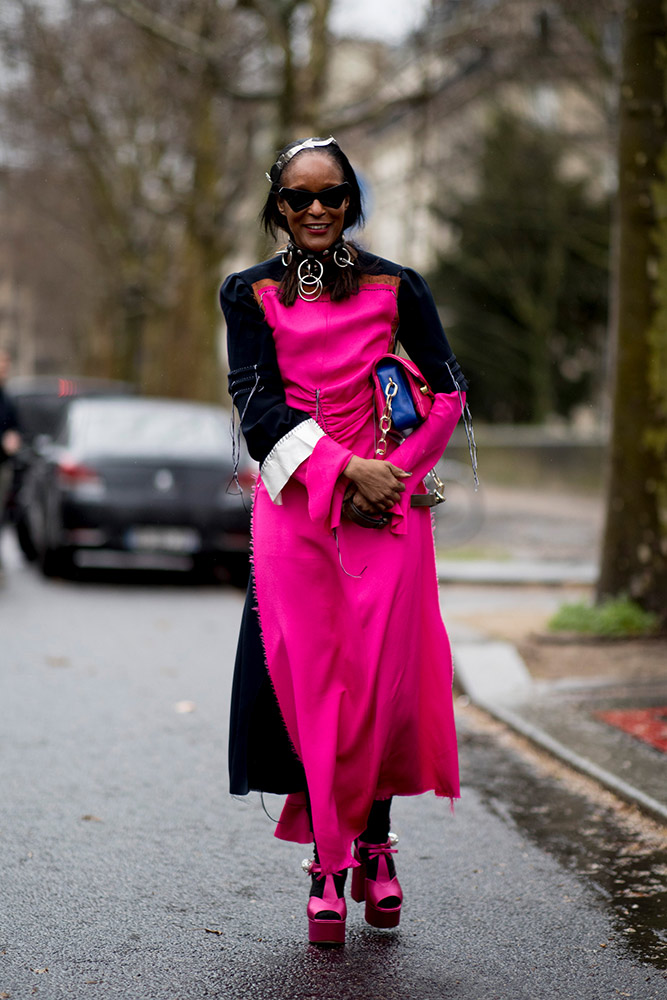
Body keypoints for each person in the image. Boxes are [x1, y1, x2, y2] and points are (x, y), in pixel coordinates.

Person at [220, 136, 475, 946]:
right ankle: (331, 862)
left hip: (389, 517)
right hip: (296, 512)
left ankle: (374, 844)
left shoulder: (399, 285)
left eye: (332, 194)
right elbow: (254, 406)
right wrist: (342, 472)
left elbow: (445, 389)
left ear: (351, 199)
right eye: (300, 198)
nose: (318, 209)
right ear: (279, 208)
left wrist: (390, 475)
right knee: (315, 686)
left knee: (379, 689)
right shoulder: (246, 293)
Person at [0, 350, 21, 577]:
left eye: (6, 365)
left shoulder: (8, 397)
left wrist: (14, 437)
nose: (4, 370)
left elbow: (15, 425)